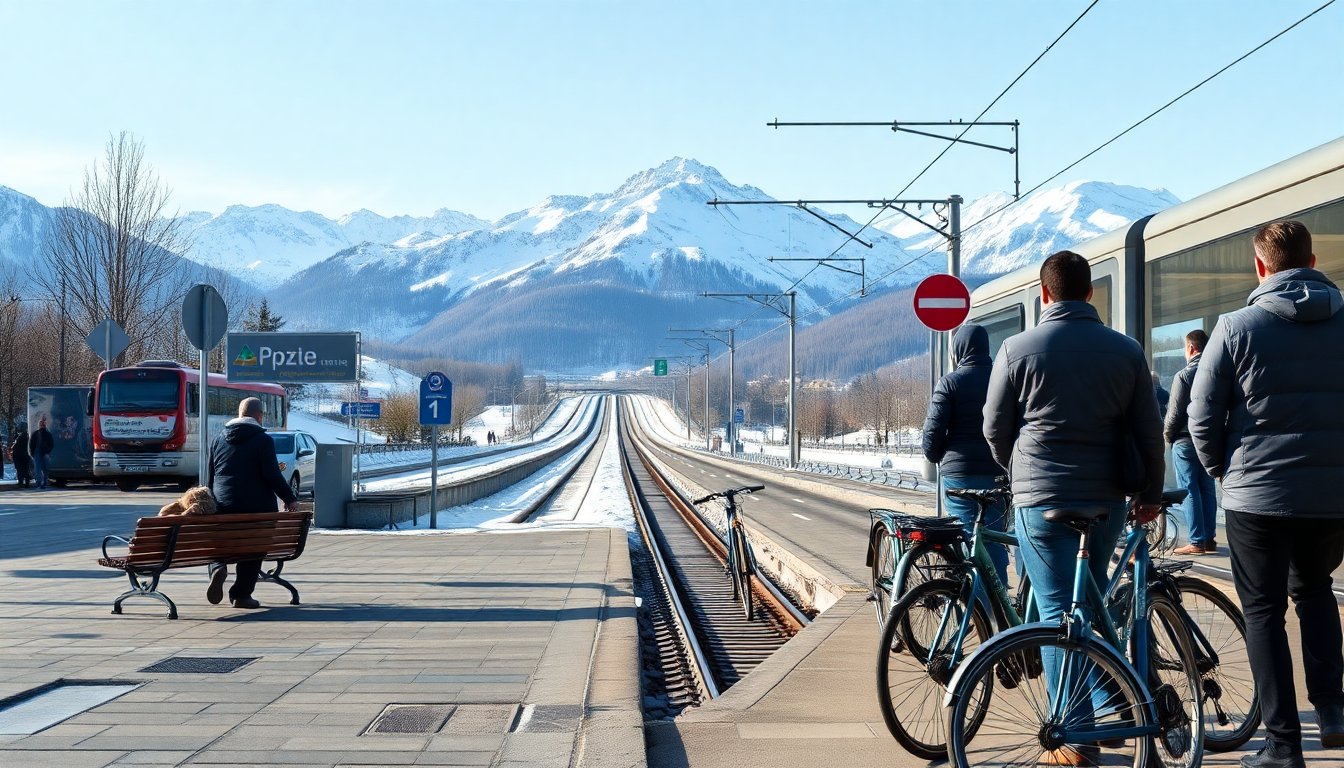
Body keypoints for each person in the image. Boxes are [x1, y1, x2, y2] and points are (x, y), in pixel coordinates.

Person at [984, 250, 1164, 765]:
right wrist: (1149, 492)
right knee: (1087, 605)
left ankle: (1077, 737)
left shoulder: (1017, 349)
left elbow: (995, 428)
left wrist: (1016, 470)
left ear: (1044, 295)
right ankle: (1113, 703)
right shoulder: (1125, 351)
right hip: (1105, 498)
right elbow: (1149, 432)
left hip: (1040, 499)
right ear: (1090, 294)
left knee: (1059, 613)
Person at [1188, 220, 1344, 768]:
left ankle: (1283, 747)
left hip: (1258, 496)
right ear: (1314, 258)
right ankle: (1332, 710)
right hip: (1332, 494)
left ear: (1261, 266)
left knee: (1263, 612)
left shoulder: (1235, 328)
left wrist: (1222, 473)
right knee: (1317, 591)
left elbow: (1201, 416)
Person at [921, 323, 1009, 586]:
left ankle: (976, 608)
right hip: (997, 473)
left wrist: (938, 455)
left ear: (958, 351)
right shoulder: (1003, 379)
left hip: (959, 475)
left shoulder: (950, 383)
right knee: (993, 540)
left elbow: (932, 432)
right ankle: (999, 605)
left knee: (967, 538)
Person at [206, 397, 299, 610]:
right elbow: (272, 476)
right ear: (259, 416)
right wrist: (290, 499)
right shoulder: (263, 440)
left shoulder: (218, 439)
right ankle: (241, 595)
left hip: (223, 507)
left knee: (217, 542)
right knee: (254, 546)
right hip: (257, 509)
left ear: (239, 415)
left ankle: (218, 566)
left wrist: (214, 503)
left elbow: (210, 477)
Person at [1165, 329, 1218, 556]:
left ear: (1190, 348)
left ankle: (1196, 541)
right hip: (1210, 440)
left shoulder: (1183, 376)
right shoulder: (1217, 373)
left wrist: (1167, 435)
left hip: (1185, 440)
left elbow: (1175, 413)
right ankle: (1208, 539)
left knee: (1189, 489)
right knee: (1207, 489)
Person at [29, 418, 54, 490]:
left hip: (45, 452)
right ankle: (39, 483)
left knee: (45, 468)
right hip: (37, 452)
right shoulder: (35, 433)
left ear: (45, 425)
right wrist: (32, 453)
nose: (41, 425)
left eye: (43, 424)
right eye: (40, 424)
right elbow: (31, 444)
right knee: (37, 468)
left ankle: (44, 482)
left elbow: (51, 444)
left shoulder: (48, 434)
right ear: (38, 425)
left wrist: (48, 452)